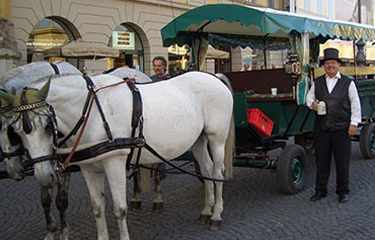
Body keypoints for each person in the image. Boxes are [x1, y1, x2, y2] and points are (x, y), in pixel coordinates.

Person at [306, 48, 361, 203]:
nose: (330, 65)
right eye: (327, 63)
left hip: (342, 129)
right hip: (322, 129)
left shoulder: (348, 83)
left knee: (342, 162)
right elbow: (308, 99)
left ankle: (343, 191)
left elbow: (355, 104)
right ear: (324, 66)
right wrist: (313, 105)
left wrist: (354, 123)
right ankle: (320, 190)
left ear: (338, 65)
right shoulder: (317, 82)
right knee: (321, 161)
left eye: (333, 63)